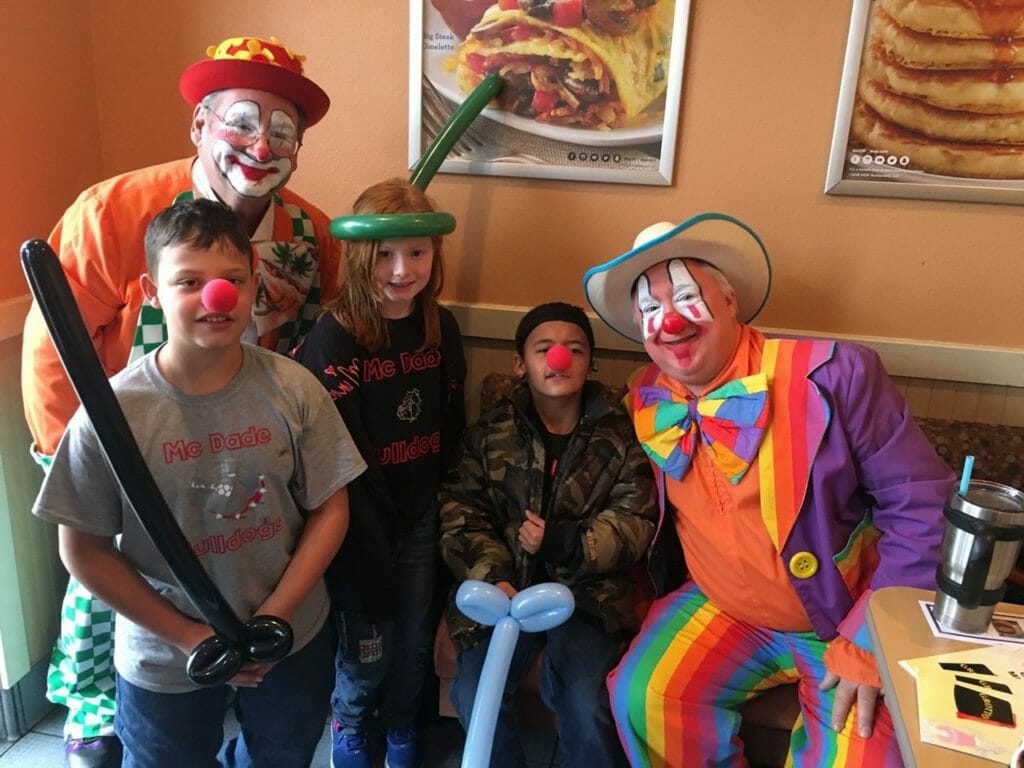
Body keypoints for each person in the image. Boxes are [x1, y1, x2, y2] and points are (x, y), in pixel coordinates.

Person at [20, 34, 340, 767]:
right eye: (242, 120)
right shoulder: (114, 211)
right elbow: (52, 347)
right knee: (109, 605)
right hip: (131, 449)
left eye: (282, 130)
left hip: (253, 457)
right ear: (199, 125)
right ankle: (99, 717)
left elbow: (318, 347)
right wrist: (74, 458)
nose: (262, 144)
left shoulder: (309, 231)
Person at [582, 213, 956, 767]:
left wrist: (872, 639)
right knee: (644, 697)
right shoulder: (646, 395)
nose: (669, 321)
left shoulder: (835, 374)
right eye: (650, 308)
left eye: (686, 295)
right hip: (720, 604)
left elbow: (924, 505)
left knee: (866, 756)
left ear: (730, 299)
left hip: (842, 615)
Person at [291, 177, 467, 768]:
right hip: (357, 524)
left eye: (416, 252)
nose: (401, 270)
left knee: (414, 639)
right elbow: (334, 451)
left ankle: (399, 727)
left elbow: (451, 421)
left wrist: (440, 508)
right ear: (362, 256)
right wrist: (368, 532)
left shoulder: (441, 327)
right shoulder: (336, 337)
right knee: (367, 644)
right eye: (385, 255)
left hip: (420, 517)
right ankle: (352, 726)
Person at [437, 302, 657, 768]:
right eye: (544, 348)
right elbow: (461, 511)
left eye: (574, 349)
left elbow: (636, 518)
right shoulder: (490, 433)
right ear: (522, 363)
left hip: (586, 598)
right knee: (476, 693)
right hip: (502, 597)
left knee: (586, 702)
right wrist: (494, 574)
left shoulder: (619, 437)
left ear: (590, 364)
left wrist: (568, 543)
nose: (559, 359)